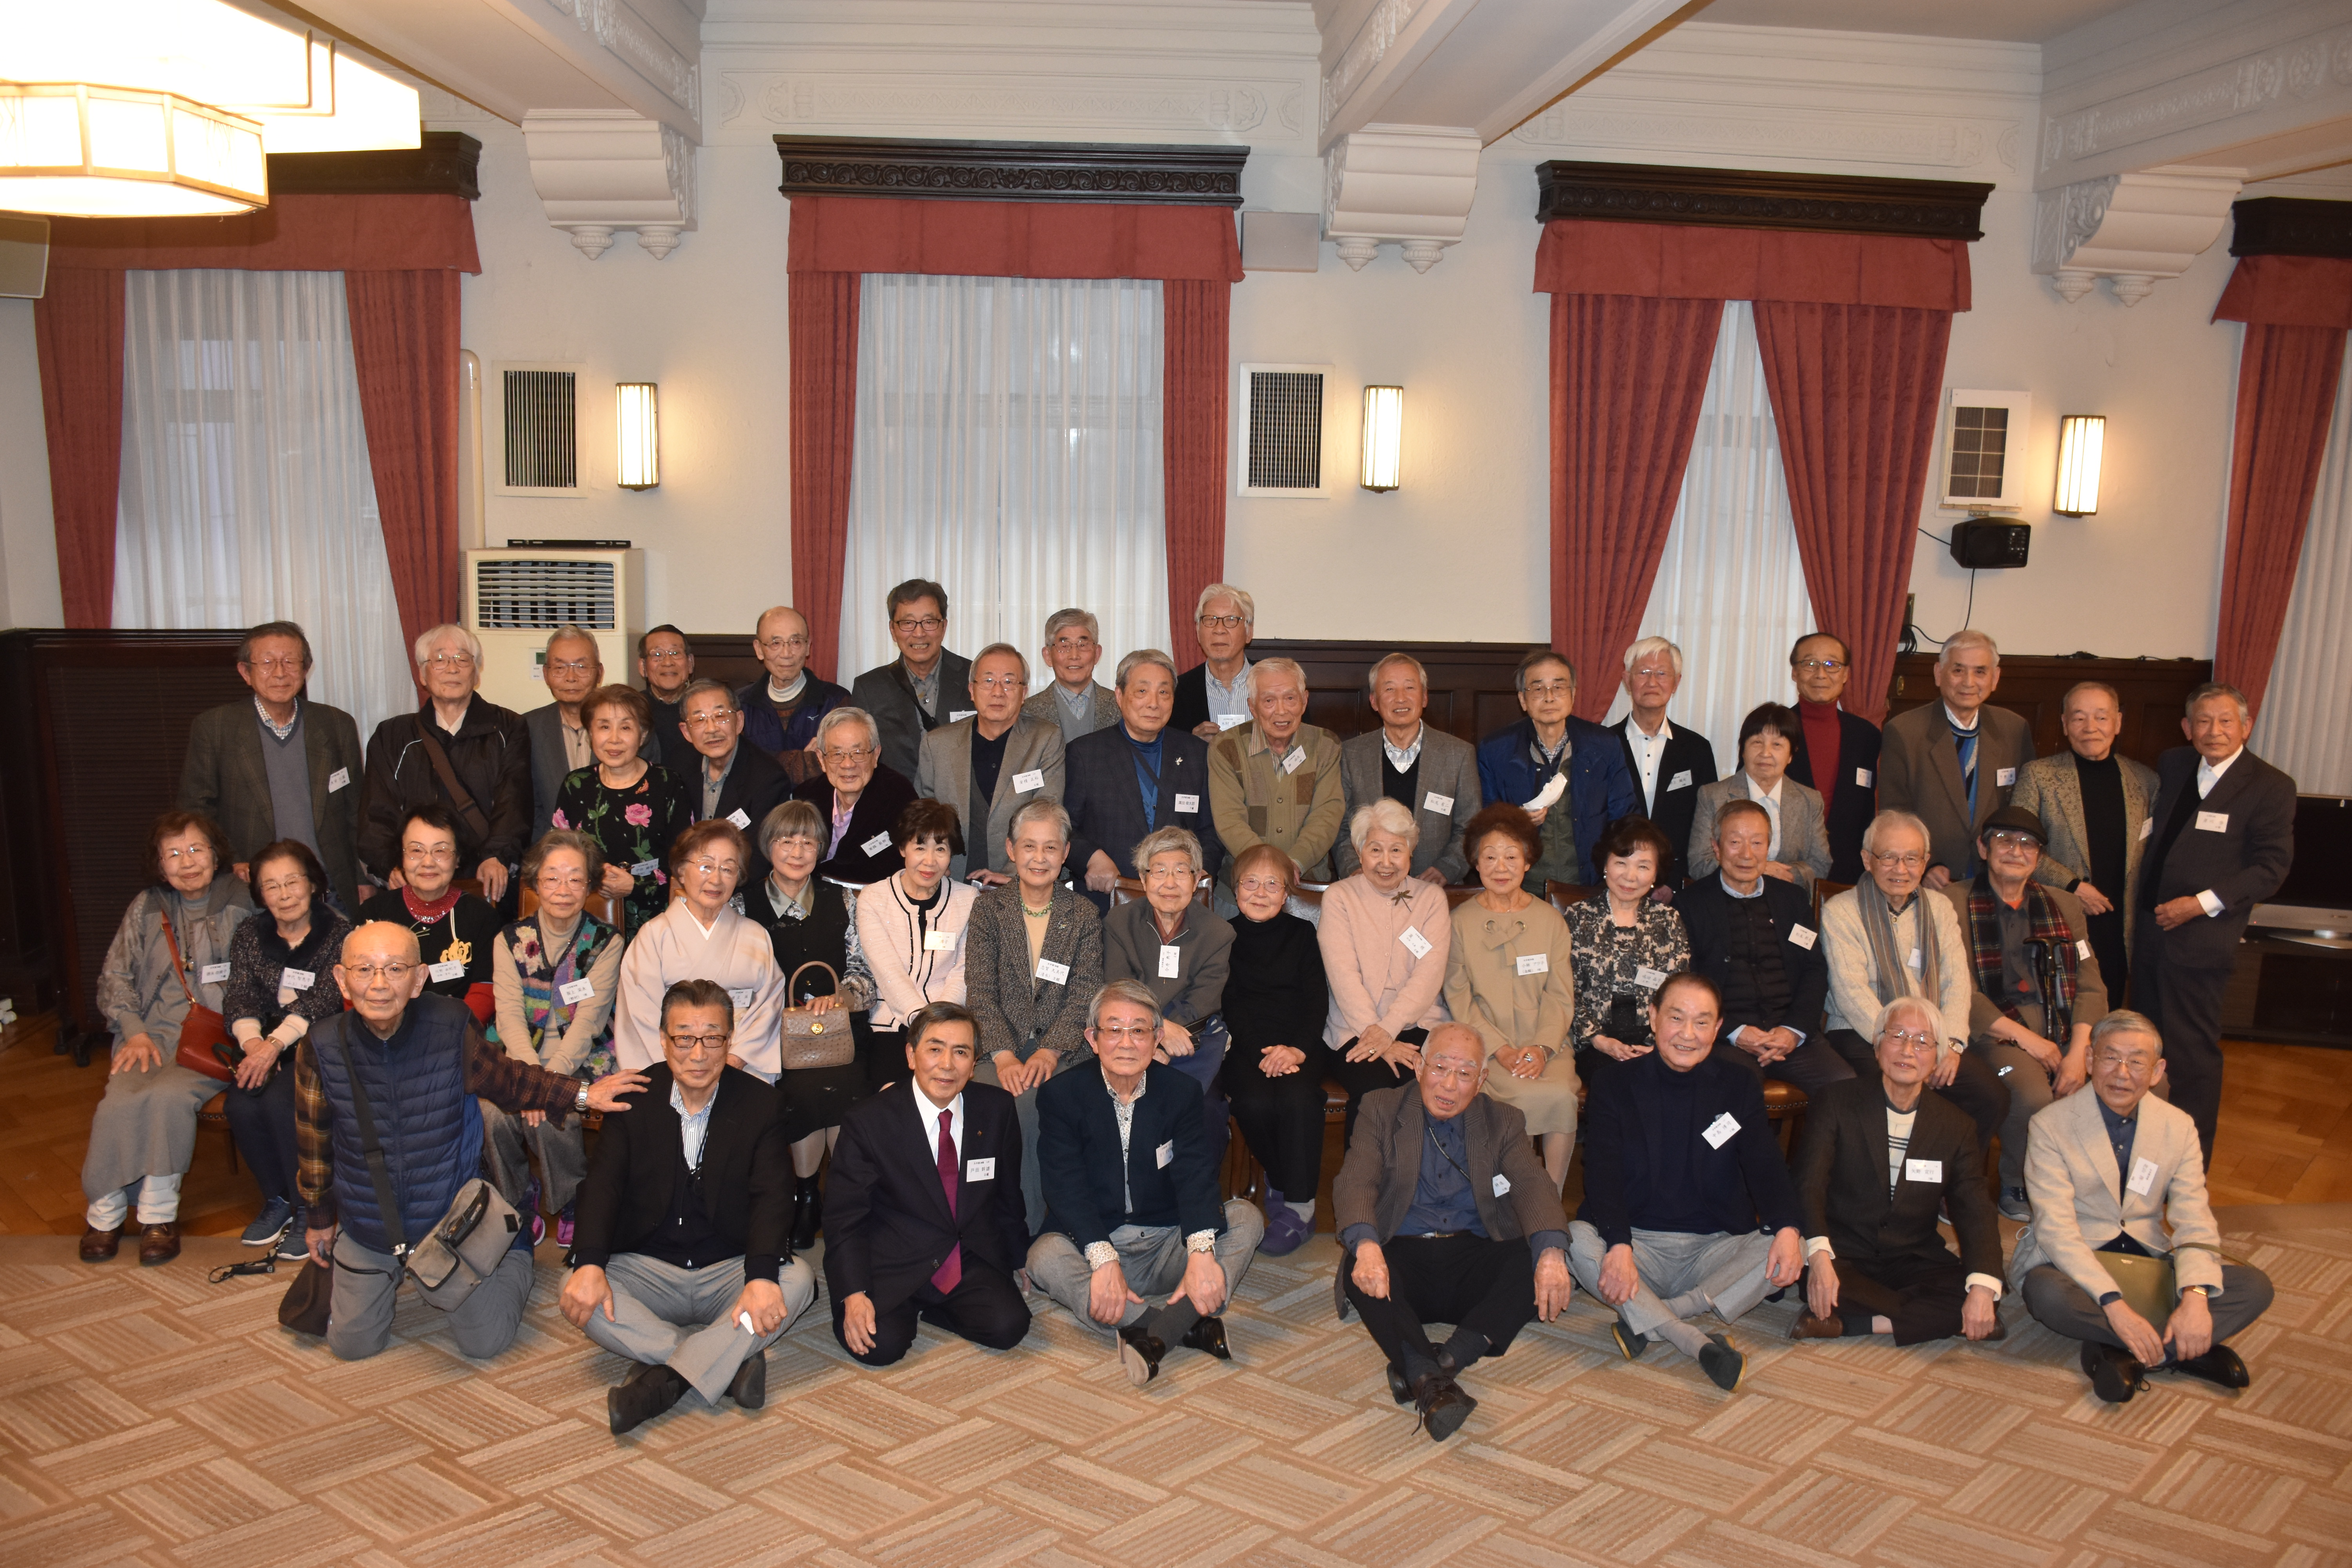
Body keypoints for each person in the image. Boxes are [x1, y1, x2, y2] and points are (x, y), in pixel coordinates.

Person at [295, 921, 646, 1363]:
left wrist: (583, 1094)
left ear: (419, 979)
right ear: (342, 979)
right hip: (370, 1222)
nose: (379, 984)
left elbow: (511, 1081)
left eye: (395, 969)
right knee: (352, 1346)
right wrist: (319, 1217)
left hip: (449, 1218)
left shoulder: (450, 1026)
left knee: (485, 1343)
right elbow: (313, 1143)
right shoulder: (321, 1046)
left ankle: (514, 1240)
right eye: (364, 969)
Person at [560, 978, 816, 1434]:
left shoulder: (762, 1104)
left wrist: (760, 1276)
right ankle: (730, 1361)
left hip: (728, 1268)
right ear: (664, 1040)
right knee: (577, 1284)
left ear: (729, 1040)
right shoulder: (633, 1100)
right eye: (684, 1038)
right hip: (649, 1267)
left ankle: (663, 1382)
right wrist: (591, 1263)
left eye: (712, 1038)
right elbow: (603, 1186)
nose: (698, 1054)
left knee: (797, 1279)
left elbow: (773, 1195)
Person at [2013, 1012, 2276, 1403]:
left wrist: (2195, 1297)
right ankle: (2181, 1349)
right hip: (2077, 1260)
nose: (2122, 1073)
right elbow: (2056, 1229)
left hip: (2147, 1259)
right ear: (2090, 1060)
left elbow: (2194, 1217)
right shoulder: (2050, 1125)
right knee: (2046, 1293)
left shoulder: (2178, 1126)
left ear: (2157, 1072)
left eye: (2137, 1062)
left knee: (2255, 1287)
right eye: (2111, 1058)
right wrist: (2114, 1305)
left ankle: (2129, 1355)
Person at [1336, 1022, 1574, 1441]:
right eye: (1440, 1067)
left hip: (1473, 1257)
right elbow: (1356, 1180)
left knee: (1536, 1254)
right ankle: (1432, 1377)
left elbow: (1532, 1184)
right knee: (1360, 1260)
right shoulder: (1380, 1107)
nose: (1449, 1084)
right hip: (1402, 1255)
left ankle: (1435, 1366)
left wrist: (1552, 1254)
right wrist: (1368, 1245)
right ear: (1420, 1067)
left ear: (1481, 1080)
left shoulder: (1503, 1120)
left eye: (1465, 1073)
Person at [1568, 973, 1805, 1391]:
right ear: (1654, 1017)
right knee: (1575, 1240)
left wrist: (1787, 1227)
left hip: (1713, 1249)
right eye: (1677, 1018)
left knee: (1793, 1242)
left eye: (1702, 1022)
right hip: (1638, 1248)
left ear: (1717, 1028)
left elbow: (1765, 1164)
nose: (1688, 1034)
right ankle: (1692, 1339)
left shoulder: (1738, 1084)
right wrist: (1619, 1244)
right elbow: (1602, 1172)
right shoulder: (1614, 1084)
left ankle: (1657, 1318)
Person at [1027, 981, 1265, 1386]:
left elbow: (1195, 1173)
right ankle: (1179, 1325)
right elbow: (1064, 1186)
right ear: (1093, 1039)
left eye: (1138, 1030)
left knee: (1246, 1217)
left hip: (1166, 1242)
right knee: (1043, 1257)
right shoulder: (1061, 1095)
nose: (1126, 1042)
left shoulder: (1181, 1092)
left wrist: (1201, 1253)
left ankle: (1144, 1328)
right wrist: (1104, 1259)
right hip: (1094, 1242)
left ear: (1156, 1039)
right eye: (1113, 1030)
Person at [80, 811, 254, 1266]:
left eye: (196, 849)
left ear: (216, 854)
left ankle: (158, 1215)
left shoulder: (243, 898)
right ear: (160, 866)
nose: (187, 862)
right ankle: (105, 1214)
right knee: (118, 1100)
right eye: (173, 854)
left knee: (167, 1098)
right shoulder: (146, 906)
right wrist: (134, 1031)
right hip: (151, 1033)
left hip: (216, 1035)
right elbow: (115, 974)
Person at [2134, 683, 2296, 1163]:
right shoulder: (2174, 764)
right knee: (2143, 1045)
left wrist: (2199, 905)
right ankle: (2142, 1148)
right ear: (2187, 728)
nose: (2215, 731)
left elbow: (2271, 867)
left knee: (2192, 1056)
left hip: (2201, 939)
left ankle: (2190, 1165)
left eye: (2226, 721)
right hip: (2148, 934)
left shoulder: (2271, 786)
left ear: (2246, 726)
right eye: (2203, 721)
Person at [822, 1001, 1033, 1365]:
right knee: (880, 1347)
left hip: (964, 1255)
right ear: (911, 1055)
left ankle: (937, 1309)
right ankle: (908, 1309)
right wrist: (853, 1293)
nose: (947, 1065)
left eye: (961, 1052)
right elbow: (844, 1219)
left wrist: (1018, 1256)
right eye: (935, 1049)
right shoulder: (869, 1121)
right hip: (894, 1260)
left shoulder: (996, 1109)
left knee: (1008, 1328)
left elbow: (1007, 1194)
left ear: (974, 1063)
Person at [1791, 997, 2004, 1345]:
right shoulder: (1835, 1101)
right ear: (1877, 1046)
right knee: (1819, 1279)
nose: (1908, 1050)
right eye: (1897, 1036)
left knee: (1982, 1290)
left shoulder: (1956, 1125)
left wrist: (1982, 1289)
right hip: (1844, 1253)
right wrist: (1818, 1257)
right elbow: (1808, 1183)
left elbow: (1975, 1207)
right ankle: (1944, 1321)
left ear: (1937, 1056)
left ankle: (1853, 1324)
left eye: (1922, 1041)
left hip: (1912, 1256)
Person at [1944, 806, 2110, 1220]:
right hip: (1993, 1028)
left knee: (2132, 1078)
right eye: (2004, 841)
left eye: (2028, 844)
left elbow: (2090, 984)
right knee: (2033, 1093)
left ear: (2038, 857)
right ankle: (2018, 1183)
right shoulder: (1950, 902)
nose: (2016, 851)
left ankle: (2098, 1184)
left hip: (2064, 1022)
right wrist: (2030, 1041)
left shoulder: (2065, 906)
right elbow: (1957, 987)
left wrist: (2079, 1052)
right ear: (1984, 848)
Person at [1819, 811, 2009, 1157]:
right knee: (1885, 1097)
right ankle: (1891, 1183)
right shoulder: (1841, 911)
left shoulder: (1940, 908)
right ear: (1867, 859)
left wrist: (1950, 1045)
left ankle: (1947, 1179)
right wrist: (1902, 1045)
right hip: (1863, 1032)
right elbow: (1851, 993)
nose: (1901, 869)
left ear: (1925, 862)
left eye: (1912, 858)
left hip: (1933, 1035)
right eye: (1889, 857)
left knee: (1990, 1097)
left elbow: (1956, 982)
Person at [964, 799, 1105, 1234]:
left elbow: (1085, 993)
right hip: (998, 1049)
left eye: (1050, 847)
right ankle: (984, 1226)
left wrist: (1050, 1050)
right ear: (1011, 849)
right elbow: (980, 990)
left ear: (1066, 854)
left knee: (1033, 1105)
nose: (1039, 858)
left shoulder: (1083, 914)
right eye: (1029, 846)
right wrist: (1004, 1054)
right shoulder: (988, 909)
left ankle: (1030, 1232)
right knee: (988, 1105)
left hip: (1065, 1051)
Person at [485, 830, 622, 1249]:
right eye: (552, 878)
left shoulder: (606, 942)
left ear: (590, 885)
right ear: (535, 882)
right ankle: (516, 1198)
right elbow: (509, 1016)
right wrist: (531, 1078)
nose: (564, 889)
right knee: (491, 1112)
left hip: (581, 1055)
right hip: (518, 1054)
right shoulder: (509, 940)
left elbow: (589, 1023)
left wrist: (545, 1086)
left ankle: (571, 1197)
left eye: (575, 879)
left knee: (554, 1109)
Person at [221, 840, 353, 1259]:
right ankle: (277, 1197)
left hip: (320, 1042)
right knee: (240, 1104)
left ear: (313, 883)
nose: (284, 894)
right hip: (263, 1043)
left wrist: (274, 1046)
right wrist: (255, 1046)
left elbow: (325, 1000)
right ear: (260, 894)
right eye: (271, 886)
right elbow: (239, 995)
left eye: (293, 882)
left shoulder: (340, 933)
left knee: (284, 1102)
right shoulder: (250, 933)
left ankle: (307, 1209)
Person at [755, 800, 877, 1251]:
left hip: (841, 1033)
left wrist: (841, 995)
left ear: (821, 848)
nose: (797, 851)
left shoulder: (843, 900)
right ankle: (806, 1197)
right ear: (769, 845)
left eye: (808, 842)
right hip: (773, 1035)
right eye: (786, 841)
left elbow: (866, 974)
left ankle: (841, 1199)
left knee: (848, 1088)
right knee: (803, 1092)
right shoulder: (744, 903)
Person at [177, 620, 365, 913]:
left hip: (329, 887)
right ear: (246, 672)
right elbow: (197, 812)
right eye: (267, 663)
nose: (280, 673)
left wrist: (363, 878)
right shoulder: (215, 728)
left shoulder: (337, 725)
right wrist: (230, 861)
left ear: (306, 668)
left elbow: (357, 811)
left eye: (290, 662)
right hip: (252, 888)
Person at [1443, 804, 1580, 1191]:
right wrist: (1500, 1050)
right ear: (1475, 862)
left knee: (1559, 1095)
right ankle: (1501, 1198)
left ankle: (1549, 1199)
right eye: (1490, 857)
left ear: (1528, 861)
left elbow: (1560, 995)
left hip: (1547, 1044)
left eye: (1511, 857)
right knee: (1503, 1097)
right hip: (1487, 1046)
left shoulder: (1551, 920)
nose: (1500, 867)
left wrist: (1541, 1048)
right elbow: (1459, 996)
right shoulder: (1459, 922)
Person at [1673, 800, 1851, 1094]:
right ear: (1716, 847)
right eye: (1735, 842)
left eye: (1757, 842)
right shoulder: (1689, 905)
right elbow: (1686, 982)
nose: (1747, 854)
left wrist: (1793, 1031)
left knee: (1844, 1089)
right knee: (1739, 1089)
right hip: (1725, 1038)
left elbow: (1814, 970)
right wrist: (1735, 1031)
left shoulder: (1793, 900)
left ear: (1769, 848)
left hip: (1790, 1035)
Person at [358, 623, 529, 906]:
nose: (452, 669)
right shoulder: (392, 735)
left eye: (463, 659)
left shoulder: (508, 728)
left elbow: (515, 802)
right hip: (415, 880)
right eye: (439, 659)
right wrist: (390, 866)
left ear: (477, 671)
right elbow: (376, 812)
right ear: (422, 674)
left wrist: (497, 856)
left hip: (485, 881)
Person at [2011, 681, 2159, 999]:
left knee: (2109, 1008)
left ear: (2118, 722)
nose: (2091, 727)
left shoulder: (2146, 781)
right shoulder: (2038, 776)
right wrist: (2073, 886)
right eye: (2079, 718)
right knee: (2056, 1007)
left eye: (2101, 717)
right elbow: (2019, 846)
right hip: (2058, 915)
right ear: (2065, 724)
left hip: (2119, 926)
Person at [1318, 799, 1450, 1142]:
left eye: (1396, 850)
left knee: (1426, 1091)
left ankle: (1417, 1177)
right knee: (1374, 1093)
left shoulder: (1431, 899)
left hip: (1419, 1024)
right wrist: (1378, 1036)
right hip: (1354, 1027)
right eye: (1376, 849)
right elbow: (1343, 976)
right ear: (1360, 853)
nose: (1386, 862)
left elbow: (1429, 975)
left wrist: (1389, 1030)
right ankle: (1363, 1177)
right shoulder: (1340, 897)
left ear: (1411, 853)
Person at [1220, 843, 1330, 1255]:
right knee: (1253, 1103)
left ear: (1286, 893)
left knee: (1298, 1099)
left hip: (1301, 1041)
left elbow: (1317, 1000)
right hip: (1247, 1045)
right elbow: (1231, 1004)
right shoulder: (1224, 936)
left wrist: (1297, 1050)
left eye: (1272, 884)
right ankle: (1284, 1181)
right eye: (1251, 882)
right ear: (1236, 888)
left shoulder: (1302, 933)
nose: (1261, 892)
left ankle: (1299, 1208)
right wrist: (1261, 1054)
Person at [1102, 826, 1232, 1171]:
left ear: (1197, 879)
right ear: (1144, 879)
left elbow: (1203, 1000)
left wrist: (1165, 1040)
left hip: (1192, 1041)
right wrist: (1156, 1033)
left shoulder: (1219, 933)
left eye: (1181, 872)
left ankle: (1193, 1196)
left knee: (1205, 1111)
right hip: (1131, 1036)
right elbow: (1119, 989)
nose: (1170, 883)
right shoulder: (1120, 922)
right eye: (1159, 871)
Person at [613, 821, 786, 1080]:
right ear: (681, 872)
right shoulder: (653, 936)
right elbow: (641, 1017)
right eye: (706, 866)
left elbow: (768, 1007)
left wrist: (734, 1060)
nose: (716, 879)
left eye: (728, 869)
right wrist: (685, 1067)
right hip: (671, 1068)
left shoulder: (755, 935)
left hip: (740, 1069)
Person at [1066, 648, 1223, 912]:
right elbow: (1065, 828)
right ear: (1120, 696)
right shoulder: (1085, 753)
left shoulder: (1196, 753)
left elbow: (1211, 829)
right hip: (1107, 902)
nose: (1154, 703)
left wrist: (1201, 873)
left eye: (1164, 692)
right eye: (1142, 691)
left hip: (1179, 902)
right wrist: (1091, 858)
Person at [1877, 630, 2034, 887]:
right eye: (1958, 670)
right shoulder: (1904, 732)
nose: (1969, 682)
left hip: (1996, 877)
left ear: (1995, 678)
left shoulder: (2014, 729)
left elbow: (2023, 808)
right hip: (1931, 876)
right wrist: (1924, 865)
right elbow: (1895, 813)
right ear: (1939, 673)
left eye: (1980, 672)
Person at [1474, 650, 1637, 891]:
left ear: (1573, 695)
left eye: (1558, 688)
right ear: (1523, 700)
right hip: (1521, 887)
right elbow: (1483, 821)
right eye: (1538, 689)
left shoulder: (1604, 745)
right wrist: (1517, 820)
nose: (1549, 697)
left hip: (1591, 882)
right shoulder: (1495, 749)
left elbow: (1625, 817)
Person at [856, 799, 980, 1096]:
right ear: (903, 849)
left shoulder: (969, 901)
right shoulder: (873, 898)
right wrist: (922, 1023)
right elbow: (887, 971)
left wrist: (941, 1023)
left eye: (941, 849)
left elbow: (964, 971)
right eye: (920, 847)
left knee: (949, 1094)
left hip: (951, 1025)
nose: (930, 861)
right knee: (893, 1097)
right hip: (890, 1023)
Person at [916, 643, 1066, 884]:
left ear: (1024, 693)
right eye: (988, 681)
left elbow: (1048, 816)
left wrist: (1011, 874)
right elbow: (924, 817)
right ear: (972, 690)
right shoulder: (937, 744)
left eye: (1009, 682)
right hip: (949, 878)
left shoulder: (1045, 739)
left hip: (1018, 882)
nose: (998, 692)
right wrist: (934, 863)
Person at [551, 684, 693, 934]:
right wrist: (593, 877)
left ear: (643, 734)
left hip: (656, 922)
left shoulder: (668, 784)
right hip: (587, 919)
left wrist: (636, 885)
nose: (614, 739)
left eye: (626, 728)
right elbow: (558, 855)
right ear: (591, 733)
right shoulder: (576, 785)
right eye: (604, 727)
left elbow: (687, 861)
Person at [1335, 652, 1481, 885]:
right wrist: (1355, 871)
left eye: (1410, 688)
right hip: (1369, 886)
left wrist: (1446, 869)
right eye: (1389, 689)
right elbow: (1340, 826)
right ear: (1374, 701)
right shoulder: (1351, 754)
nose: (1400, 698)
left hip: (1437, 887)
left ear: (1425, 697)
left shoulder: (1458, 754)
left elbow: (1471, 827)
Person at [1564, 817, 1690, 1082]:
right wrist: (1599, 1040)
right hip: (1594, 1043)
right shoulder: (1578, 917)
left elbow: (1678, 992)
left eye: (1643, 866)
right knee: (1620, 1082)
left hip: (1656, 1040)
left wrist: (1658, 1044)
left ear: (1655, 874)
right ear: (1606, 865)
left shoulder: (1668, 920)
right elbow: (1566, 990)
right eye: (1621, 863)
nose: (1630, 877)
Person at [1207, 657, 1345, 898]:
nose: (1281, 711)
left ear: (1304, 701)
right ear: (1253, 707)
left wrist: (1296, 862)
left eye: (1290, 698)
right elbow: (1229, 819)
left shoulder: (1326, 746)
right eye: (1269, 700)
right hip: (1242, 889)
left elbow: (1327, 815)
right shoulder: (1226, 747)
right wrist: (1268, 871)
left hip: (1309, 886)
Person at [356, 806, 501, 1027]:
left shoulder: (482, 917)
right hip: (384, 1031)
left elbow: (486, 989)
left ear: (458, 858)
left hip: (455, 1033)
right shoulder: (374, 913)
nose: (428, 862)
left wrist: (449, 1033)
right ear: (402, 857)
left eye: (440, 851)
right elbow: (356, 983)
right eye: (416, 851)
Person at [526, 626, 653, 845]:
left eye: (581, 667)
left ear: (600, 673)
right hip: (554, 852)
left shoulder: (631, 728)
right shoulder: (528, 728)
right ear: (546, 674)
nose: (571, 677)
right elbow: (529, 805)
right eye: (560, 668)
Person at [1687, 704, 1832, 891]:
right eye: (1757, 742)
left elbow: (1821, 864)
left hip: (1788, 899)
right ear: (1743, 750)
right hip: (1726, 898)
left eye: (1777, 745)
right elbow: (1700, 864)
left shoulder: (1809, 800)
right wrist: (1761, 870)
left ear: (1791, 755)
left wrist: (1782, 876)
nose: (1765, 753)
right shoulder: (1713, 796)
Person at [1612, 637, 1717, 889]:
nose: (1652, 682)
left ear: (1676, 682)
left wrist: (1673, 882)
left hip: (1676, 885)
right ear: (1627, 680)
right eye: (1643, 673)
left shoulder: (1697, 749)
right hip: (1616, 880)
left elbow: (1706, 824)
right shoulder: (1603, 746)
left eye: (1662, 673)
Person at [849, 578, 973, 780]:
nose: (919, 633)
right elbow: (862, 756)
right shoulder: (869, 688)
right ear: (893, 630)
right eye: (908, 623)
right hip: (898, 798)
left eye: (929, 622)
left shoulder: (975, 677)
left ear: (944, 627)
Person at [1783, 632, 1881, 885]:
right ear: (1795, 672)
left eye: (1831, 664)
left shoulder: (1867, 736)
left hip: (1849, 871)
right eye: (1810, 663)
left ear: (1846, 674)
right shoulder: (1772, 730)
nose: (1821, 674)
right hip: (1785, 870)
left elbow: (1870, 808)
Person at [795, 706, 920, 886]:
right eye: (837, 754)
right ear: (822, 759)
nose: (848, 764)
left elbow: (897, 867)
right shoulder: (807, 796)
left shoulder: (899, 796)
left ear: (876, 755)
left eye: (858, 753)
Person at [737, 605, 847, 782]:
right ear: (759, 649)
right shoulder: (740, 705)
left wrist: (764, 761)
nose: (787, 654)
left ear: (808, 647)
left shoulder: (837, 702)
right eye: (776, 643)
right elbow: (737, 767)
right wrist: (803, 762)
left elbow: (843, 765)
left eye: (796, 642)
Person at [675, 679, 791, 833]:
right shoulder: (678, 765)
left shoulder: (769, 779)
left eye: (720, 716)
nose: (712, 729)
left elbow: (760, 846)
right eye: (700, 720)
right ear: (686, 732)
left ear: (739, 722)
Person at [1022, 607, 1120, 745]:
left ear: (1097, 654)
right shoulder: (1027, 713)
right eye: (1064, 646)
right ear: (1048, 656)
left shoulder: (1122, 707)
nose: (1074, 656)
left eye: (1083, 645)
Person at [1172, 582, 1256, 739]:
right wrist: (1192, 744)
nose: (1219, 630)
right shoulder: (1178, 693)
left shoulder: (1276, 685)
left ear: (1249, 632)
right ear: (1198, 632)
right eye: (1210, 620)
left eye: (1231, 620)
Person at [636, 624, 698, 770]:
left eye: (676, 653)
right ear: (643, 667)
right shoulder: (633, 708)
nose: (668, 662)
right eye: (657, 655)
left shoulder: (706, 706)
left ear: (690, 663)